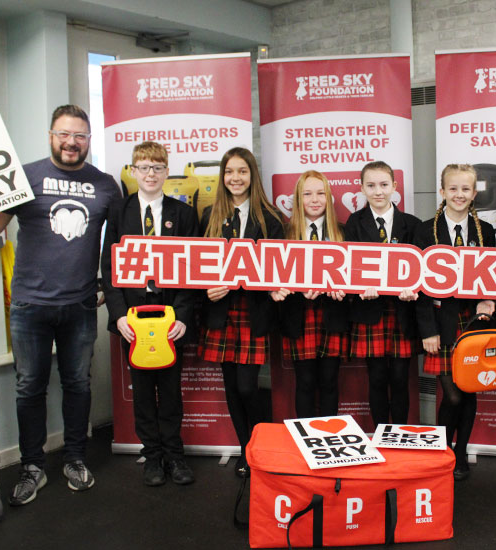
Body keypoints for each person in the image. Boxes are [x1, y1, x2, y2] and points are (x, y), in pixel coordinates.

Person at [0, 105, 121, 505]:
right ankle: (32, 467)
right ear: (51, 136)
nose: (71, 142)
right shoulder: (24, 176)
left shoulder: (106, 186)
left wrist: (106, 286)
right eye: (64, 134)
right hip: (29, 305)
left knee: (78, 384)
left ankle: (75, 459)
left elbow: (118, 245)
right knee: (29, 388)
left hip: (80, 305)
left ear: (88, 140)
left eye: (80, 136)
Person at [101, 141, 197, 487]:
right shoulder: (119, 211)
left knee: (170, 392)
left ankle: (175, 456)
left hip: (170, 317)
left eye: (157, 167)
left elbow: (193, 269)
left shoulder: (183, 214)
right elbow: (109, 266)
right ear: (133, 171)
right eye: (144, 167)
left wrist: (182, 315)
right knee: (142, 393)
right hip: (133, 319)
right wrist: (119, 316)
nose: (151, 174)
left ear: (167, 171)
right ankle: (152, 457)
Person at [199, 147, 284, 478]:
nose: (236, 178)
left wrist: (272, 288)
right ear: (223, 176)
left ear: (252, 176)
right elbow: (196, 264)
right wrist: (207, 290)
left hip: (253, 312)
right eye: (230, 171)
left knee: (248, 387)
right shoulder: (209, 215)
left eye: (242, 171)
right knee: (231, 388)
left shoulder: (270, 217)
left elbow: (279, 267)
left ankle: (260, 447)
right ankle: (246, 451)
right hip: (221, 312)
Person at [414, 164, 496, 480]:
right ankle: (443, 452)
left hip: (474, 323)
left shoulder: (485, 231)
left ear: (474, 193)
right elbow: (419, 286)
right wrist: (428, 330)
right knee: (453, 395)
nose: (459, 194)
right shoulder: (425, 231)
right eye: (453, 188)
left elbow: (494, 277)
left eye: (465, 189)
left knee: (469, 390)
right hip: (441, 324)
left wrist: (490, 305)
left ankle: (460, 453)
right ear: (442, 191)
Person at [344, 161, 421, 426]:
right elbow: (349, 266)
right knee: (376, 377)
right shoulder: (354, 223)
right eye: (371, 185)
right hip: (370, 311)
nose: (378, 191)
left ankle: (397, 435)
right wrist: (358, 290)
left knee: (400, 378)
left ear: (394, 187)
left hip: (401, 312)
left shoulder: (412, 224)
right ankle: (380, 433)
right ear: (362, 188)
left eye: (384, 185)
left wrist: (414, 290)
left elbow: (420, 270)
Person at [273, 170, 348, 418]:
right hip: (298, 316)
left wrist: (344, 290)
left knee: (329, 381)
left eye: (320, 193)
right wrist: (281, 289)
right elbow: (273, 276)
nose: (314, 200)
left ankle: (328, 436)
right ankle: (305, 436)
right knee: (304, 382)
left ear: (328, 198)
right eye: (307, 194)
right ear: (298, 198)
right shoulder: (284, 233)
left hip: (332, 315)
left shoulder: (342, 232)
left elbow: (354, 275)